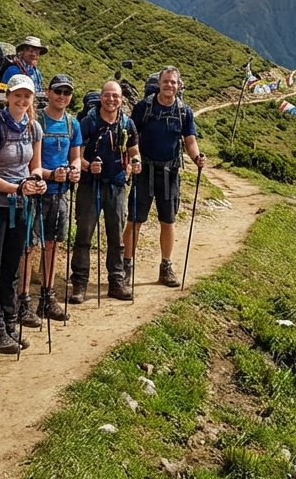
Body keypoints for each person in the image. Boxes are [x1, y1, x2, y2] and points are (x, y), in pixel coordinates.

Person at [125, 66, 205, 288]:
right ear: (159, 83)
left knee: (167, 221)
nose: (169, 85)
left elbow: (189, 140)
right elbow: (132, 137)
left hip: (170, 172)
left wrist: (197, 157)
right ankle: (127, 264)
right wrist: (133, 161)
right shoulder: (144, 107)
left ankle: (166, 266)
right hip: (144, 170)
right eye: (166, 81)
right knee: (135, 220)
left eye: (173, 82)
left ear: (179, 86)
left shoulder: (184, 111)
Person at [0, 74, 46, 347]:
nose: (22, 100)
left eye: (27, 96)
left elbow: (36, 166)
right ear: (7, 96)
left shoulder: (34, 128)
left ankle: (9, 323)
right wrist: (15, 188)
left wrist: (37, 180)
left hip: (22, 206)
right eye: (17, 95)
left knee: (11, 268)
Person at [69, 80, 140, 303]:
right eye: (107, 95)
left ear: (121, 99)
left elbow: (134, 150)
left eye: (115, 96)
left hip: (117, 185)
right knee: (84, 236)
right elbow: (76, 156)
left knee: (116, 237)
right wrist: (88, 165)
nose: (111, 100)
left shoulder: (127, 123)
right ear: (101, 97)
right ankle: (79, 284)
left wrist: (135, 163)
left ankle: (116, 282)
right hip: (90, 185)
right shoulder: (87, 122)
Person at [34, 74, 82, 320]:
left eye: (67, 93)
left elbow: (75, 156)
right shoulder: (37, 120)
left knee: (53, 245)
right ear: (49, 93)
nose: (62, 96)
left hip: (60, 194)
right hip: (37, 192)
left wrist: (75, 169)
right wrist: (51, 174)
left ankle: (47, 296)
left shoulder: (72, 124)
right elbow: (31, 163)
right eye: (58, 91)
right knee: (29, 247)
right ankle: (22, 301)